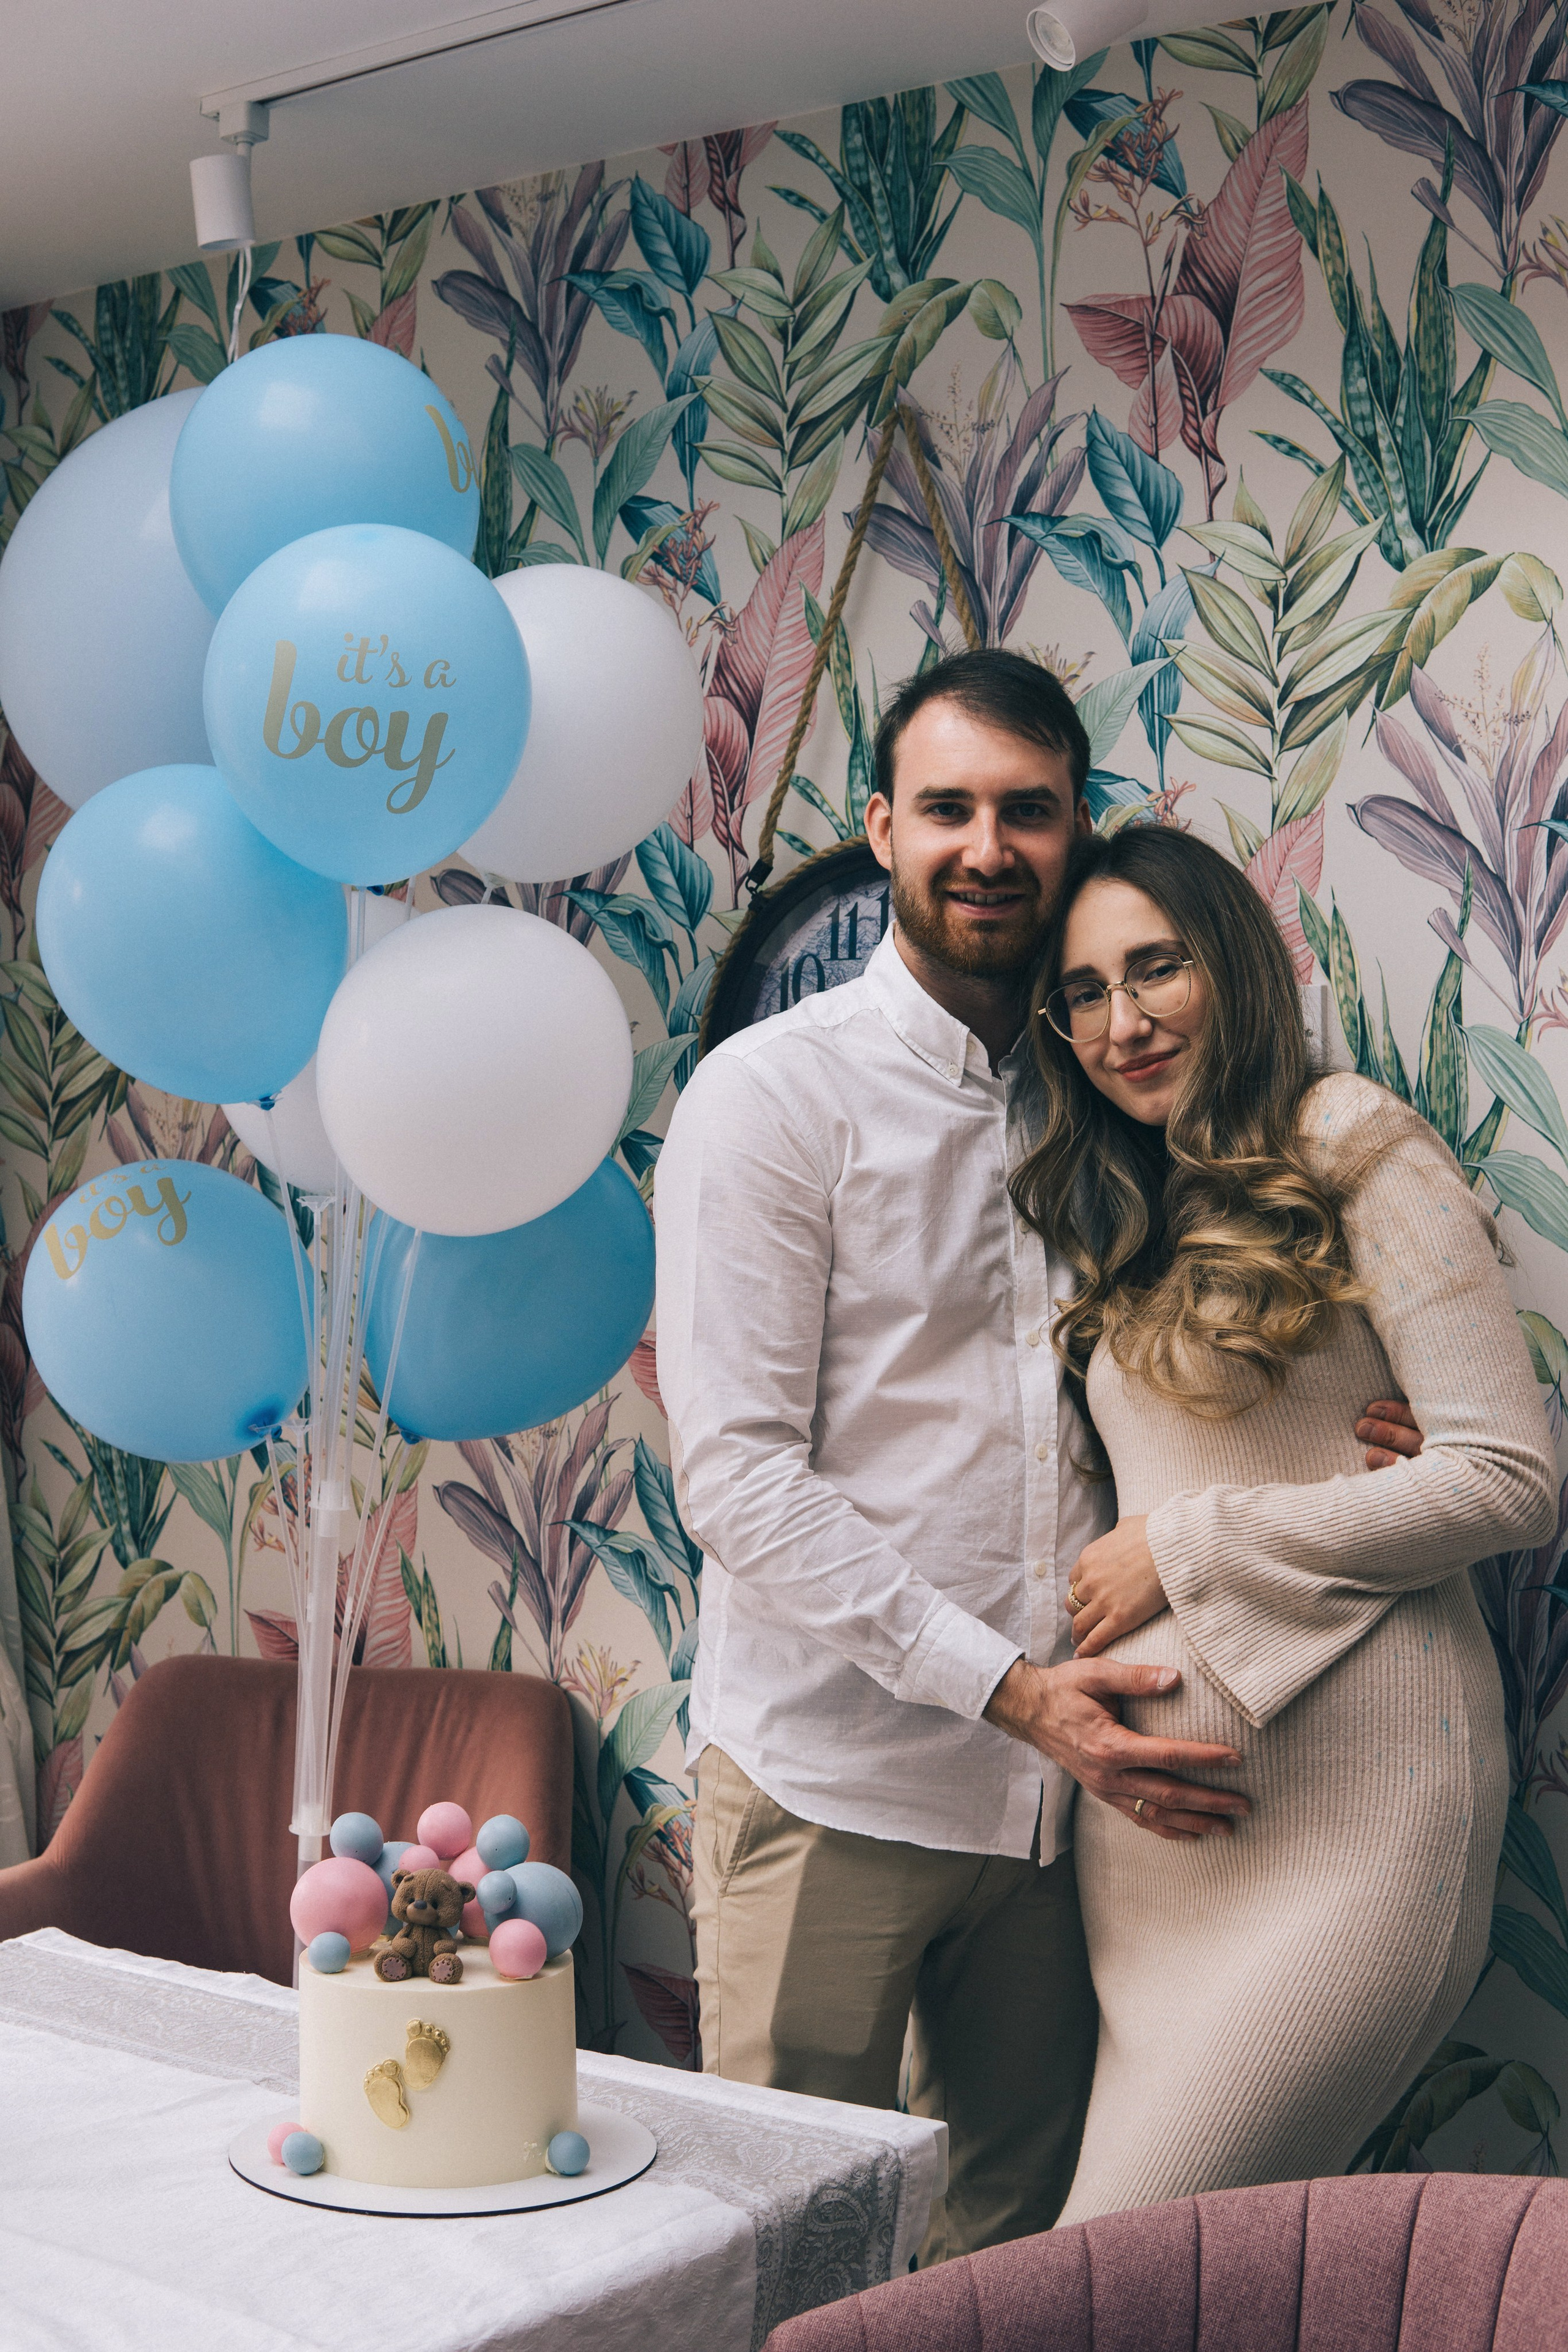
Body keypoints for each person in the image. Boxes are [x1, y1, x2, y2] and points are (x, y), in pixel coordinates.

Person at [654, 650, 1421, 2258]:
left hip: (1070, 1816)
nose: (987, 846)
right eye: (947, 808)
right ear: (881, 827)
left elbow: (1190, 1381)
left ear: (1077, 833)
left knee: (1026, 2262)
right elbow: (735, 1478)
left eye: (1028, 810)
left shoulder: (1116, 1090)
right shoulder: (772, 1099)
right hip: (835, 1785)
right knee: (789, 2251)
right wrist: (1016, 1694)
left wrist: (1360, 1433)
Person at [1010, 823, 1557, 2221]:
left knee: (1101, 2277)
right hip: (1157, 1878)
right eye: (1082, 992)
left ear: (1234, 969)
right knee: (1179, 2293)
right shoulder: (1119, 1199)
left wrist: (1185, 1547)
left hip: (1354, 1836)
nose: (1120, 1023)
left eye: (1155, 969)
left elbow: (1506, 1477)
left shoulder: (1348, 1135)